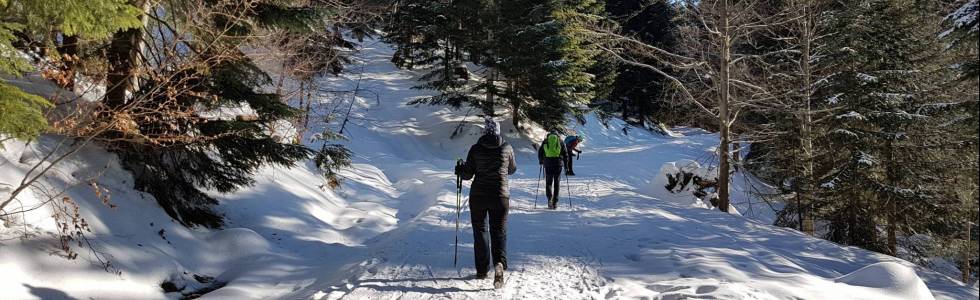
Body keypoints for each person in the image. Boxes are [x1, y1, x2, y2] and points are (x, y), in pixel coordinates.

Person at [454, 117, 517, 288]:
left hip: (479, 196)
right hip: (500, 196)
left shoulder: (476, 149)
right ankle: (499, 264)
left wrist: (460, 169)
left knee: (481, 231)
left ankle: (482, 270)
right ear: (497, 131)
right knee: (499, 231)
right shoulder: (507, 147)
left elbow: (467, 174)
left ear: (484, 131)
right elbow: (512, 170)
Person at [537, 131, 567, 209]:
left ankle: (549, 199)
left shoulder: (546, 141)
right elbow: (565, 154)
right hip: (558, 164)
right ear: (557, 135)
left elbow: (540, 152)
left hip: (548, 164)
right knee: (557, 183)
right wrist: (566, 165)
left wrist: (541, 161)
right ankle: (555, 202)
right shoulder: (560, 141)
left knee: (549, 182)